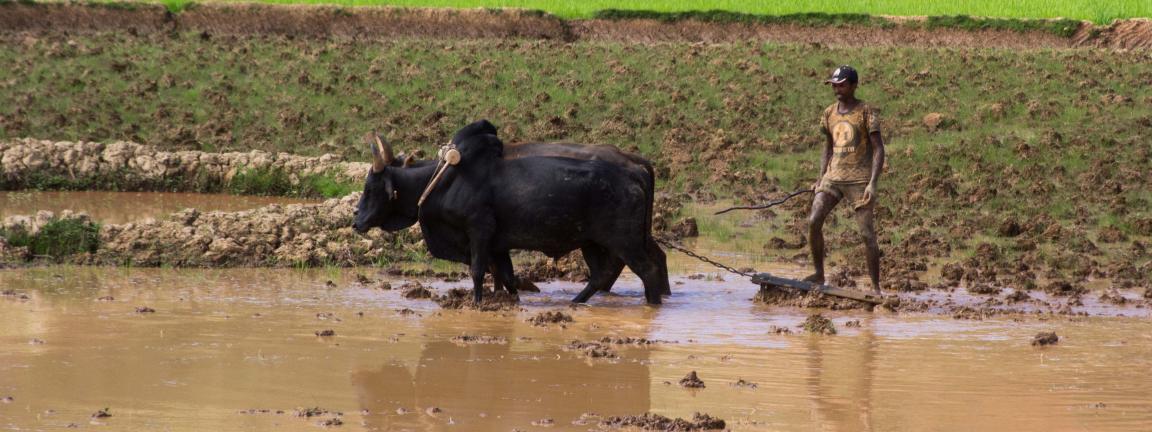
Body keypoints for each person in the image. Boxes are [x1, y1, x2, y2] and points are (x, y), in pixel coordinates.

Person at [806, 65, 886, 293]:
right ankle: (819, 273)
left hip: (859, 181)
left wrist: (873, 182)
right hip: (833, 178)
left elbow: (879, 149)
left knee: (866, 234)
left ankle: (875, 287)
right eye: (834, 85)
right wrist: (820, 179)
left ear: (853, 85)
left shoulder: (865, 111)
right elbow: (827, 148)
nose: (837, 89)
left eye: (841, 85)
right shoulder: (829, 113)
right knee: (814, 220)